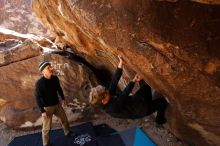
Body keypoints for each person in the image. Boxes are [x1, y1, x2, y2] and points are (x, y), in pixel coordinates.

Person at [89, 56, 168, 125]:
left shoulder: (107, 96)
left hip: (135, 101)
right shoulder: (112, 108)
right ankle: (159, 119)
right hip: (141, 110)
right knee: (162, 102)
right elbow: (124, 95)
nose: (107, 91)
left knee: (145, 87)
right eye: (106, 93)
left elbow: (114, 81)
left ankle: (149, 100)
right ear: (103, 100)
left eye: (106, 90)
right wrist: (133, 80)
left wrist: (120, 63)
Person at [35, 61, 75, 146]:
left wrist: (63, 99)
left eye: (50, 67)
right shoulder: (39, 84)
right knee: (46, 128)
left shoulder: (55, 78)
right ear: (43, 71)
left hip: (57, 105)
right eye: (48, 68)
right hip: (47, 108)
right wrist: (42, 111)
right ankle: (46, 144)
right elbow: (37, 98)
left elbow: (59, 89)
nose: (51, 69)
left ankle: (67, 132)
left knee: (64, 120)